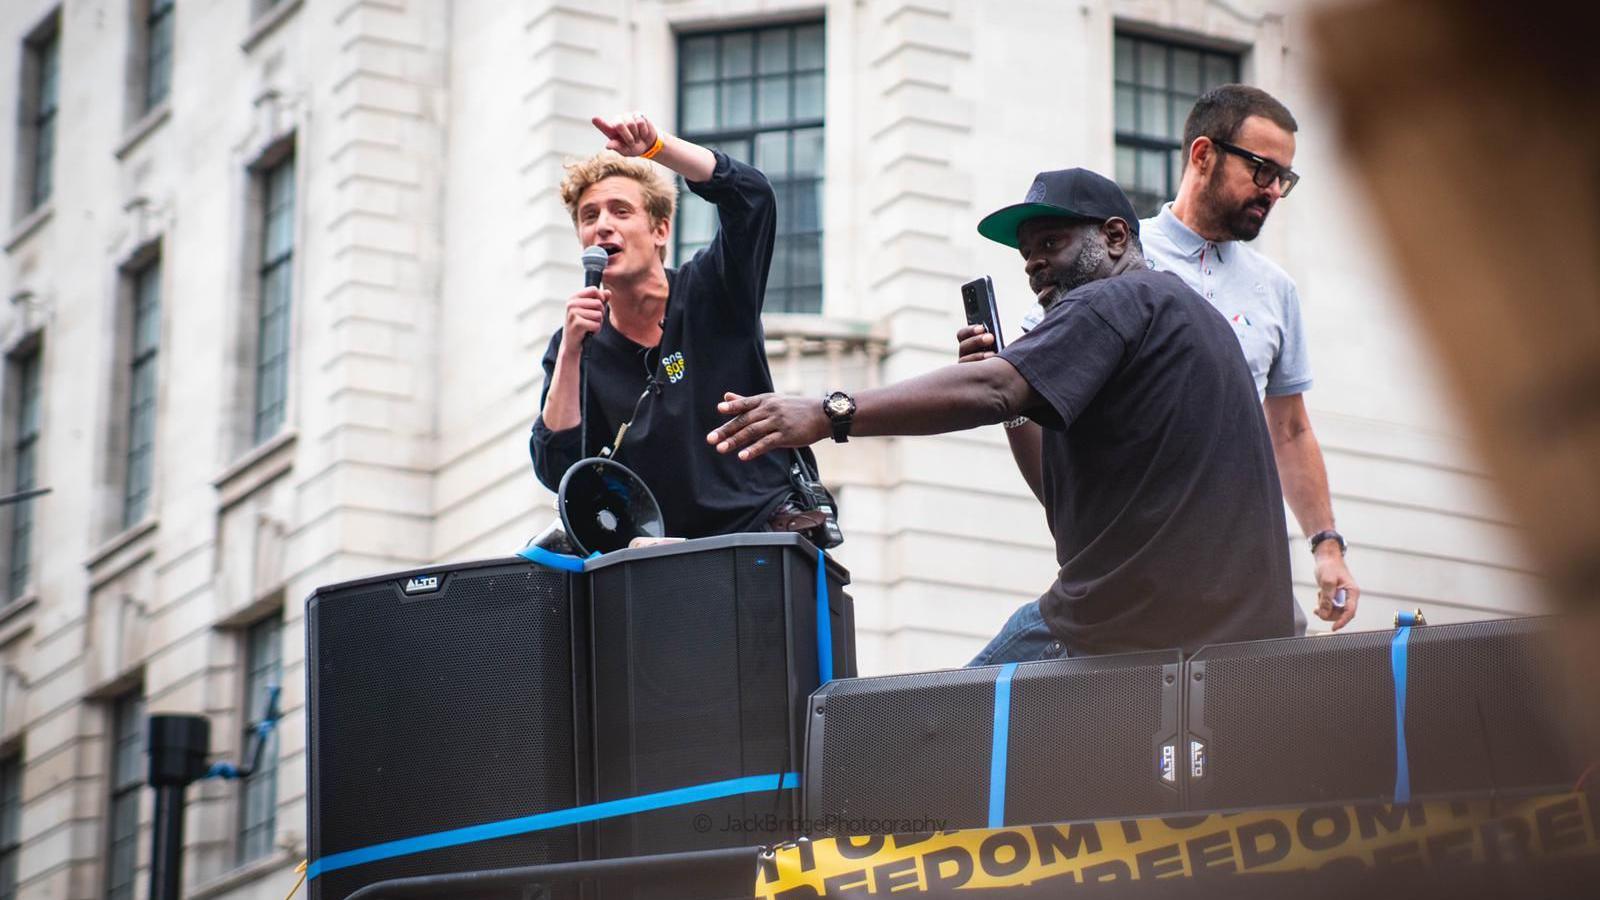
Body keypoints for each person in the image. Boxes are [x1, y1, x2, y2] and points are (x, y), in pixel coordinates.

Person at [707, 169, 1295, 659]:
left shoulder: (1120, 298)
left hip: (1131, 628)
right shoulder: (1175, 314)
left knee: (922, 737)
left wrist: (829, 412)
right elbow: (1060, 503)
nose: (1034, 266)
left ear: (1116, 237)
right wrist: (1020, 404)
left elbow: (992, 388)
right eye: (1026, 254)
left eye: (1051, 244)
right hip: (1201, 628)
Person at [529, 112, 823, 539]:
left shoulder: (711, 290)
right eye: (589, 217)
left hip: (759, 537)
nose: (602, 225)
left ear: (660, 229)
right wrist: (573, 349)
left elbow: (753, 198)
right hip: (659, 563)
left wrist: (656, 148)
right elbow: (558, 469)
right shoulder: (576, 345)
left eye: (621, 210)